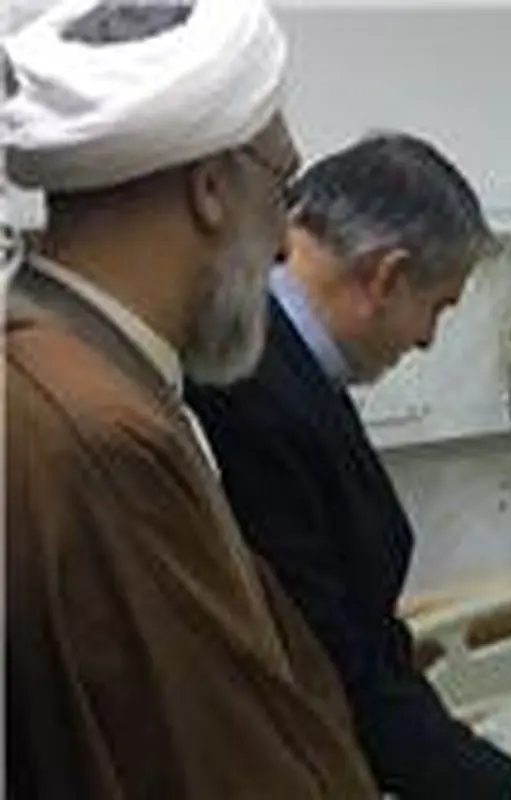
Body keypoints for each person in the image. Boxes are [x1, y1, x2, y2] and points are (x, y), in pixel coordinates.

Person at [3, 2, 380, 797]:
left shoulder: (65, 369)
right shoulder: (100, 440)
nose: (284, 246)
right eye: (282, 189)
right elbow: (227, 762)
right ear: (210, 189)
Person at [184, 132, 511, 798]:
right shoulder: (252, 394)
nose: (426, 339)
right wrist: (503, 783)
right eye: (438, 307)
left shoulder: (282, 366)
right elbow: (335, 662)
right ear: (388, 276)